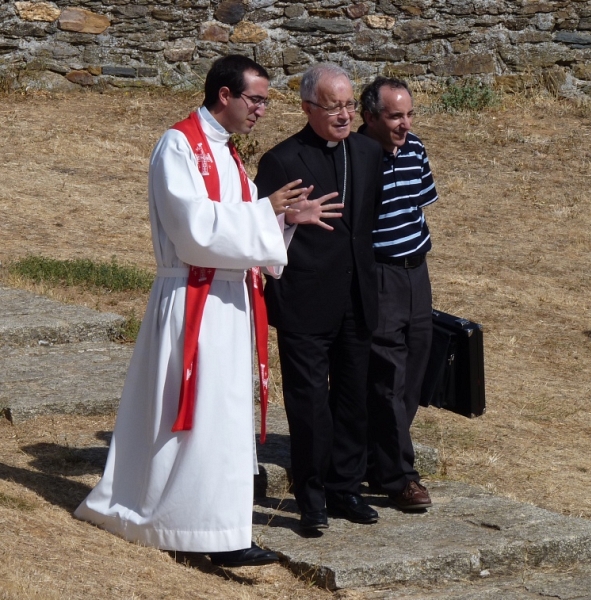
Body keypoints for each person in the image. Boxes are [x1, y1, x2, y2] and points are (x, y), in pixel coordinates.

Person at [74, 54, 337, 568]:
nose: (262, 109)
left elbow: (239, 227)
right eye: (255, 99)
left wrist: (284, 221)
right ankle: (192, 524)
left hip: (228, 300)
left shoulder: (229, 155)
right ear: (225, 95)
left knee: (226, 416)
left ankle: (222, 526)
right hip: (191, 299)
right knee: (197, 416)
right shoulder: (180, 145)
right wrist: (267, 212)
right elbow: (195, 230)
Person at [254, 64, 383, 531]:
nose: (346, 115)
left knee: (352, 398)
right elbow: (256, 232)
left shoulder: (368, 153)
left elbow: (369, 223)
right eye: (334, 107)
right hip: (304, 300)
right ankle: (310, 499)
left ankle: (345, 487)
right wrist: (289, 220)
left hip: (357, 298)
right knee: (309, 405)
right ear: (308, 107)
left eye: (350, 105)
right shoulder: (281, 160)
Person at [359, 76, 438, 510]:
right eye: (395, 116)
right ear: (370, 116)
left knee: (415, 370)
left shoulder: (415, 149)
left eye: (409, 114)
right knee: (387, 373)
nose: (404, 124)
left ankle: (380, 454)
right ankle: (400, 477)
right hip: (380, 275)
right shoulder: (356, 156)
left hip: (416, 271)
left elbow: (417, 207)